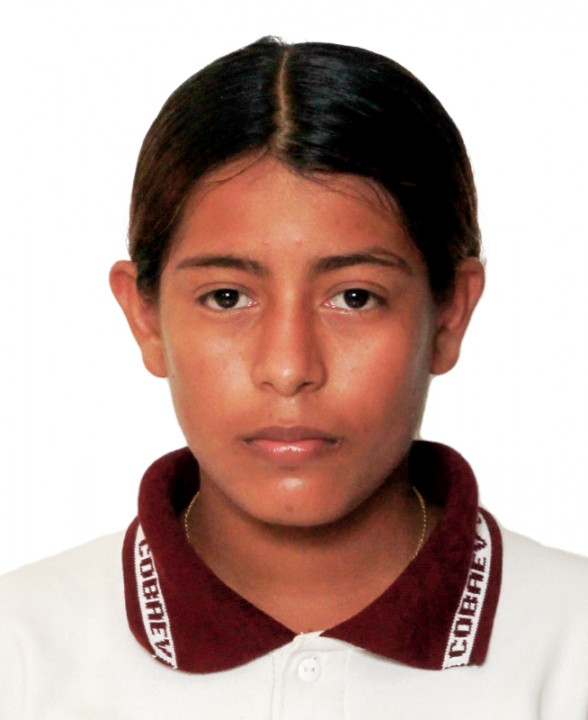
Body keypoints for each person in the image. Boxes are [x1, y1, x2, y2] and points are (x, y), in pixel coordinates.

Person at [1, 36, 587, 719]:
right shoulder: (22, 655)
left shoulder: (570, 645)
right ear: (146, 319)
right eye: (227, 298)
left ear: (449, 315)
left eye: (355, 297)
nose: (288, 369)